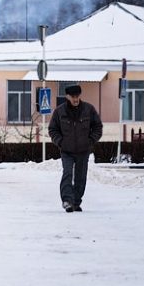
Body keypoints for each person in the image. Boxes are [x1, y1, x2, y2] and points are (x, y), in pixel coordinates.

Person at [48, 84, 103, 212]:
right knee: (67, 173)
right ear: (67, 97)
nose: (75, 99)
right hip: (66, 150)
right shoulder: (59, 112)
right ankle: (67, 201)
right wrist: (60, 142)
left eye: (77, 96)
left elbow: (97, 127)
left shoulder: (89, 109)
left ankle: (76, 202)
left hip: (83, 150)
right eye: (73, 97)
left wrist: (91, 141)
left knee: (81, 177)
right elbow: (53, 129)